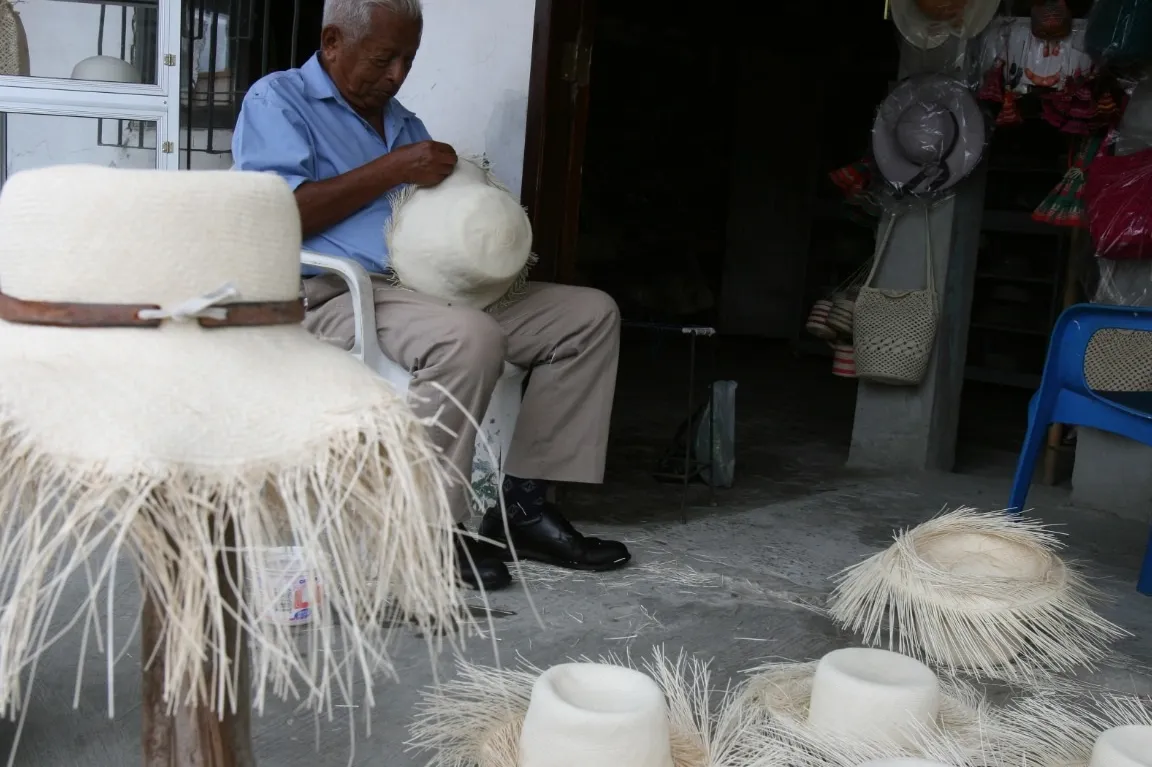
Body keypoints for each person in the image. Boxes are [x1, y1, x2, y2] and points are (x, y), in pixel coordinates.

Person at [232, 0, 630, 592]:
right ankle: (423, 528)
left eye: (409, 59)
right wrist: (393, 168)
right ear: (333, 41)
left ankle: (522, 508)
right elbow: (276, 215)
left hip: (430, 289)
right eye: (383, 58)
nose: (397, 74)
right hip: (339, 292)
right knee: (470, 336)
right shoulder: (278, 100)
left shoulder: (401, 122)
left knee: (587, 315)